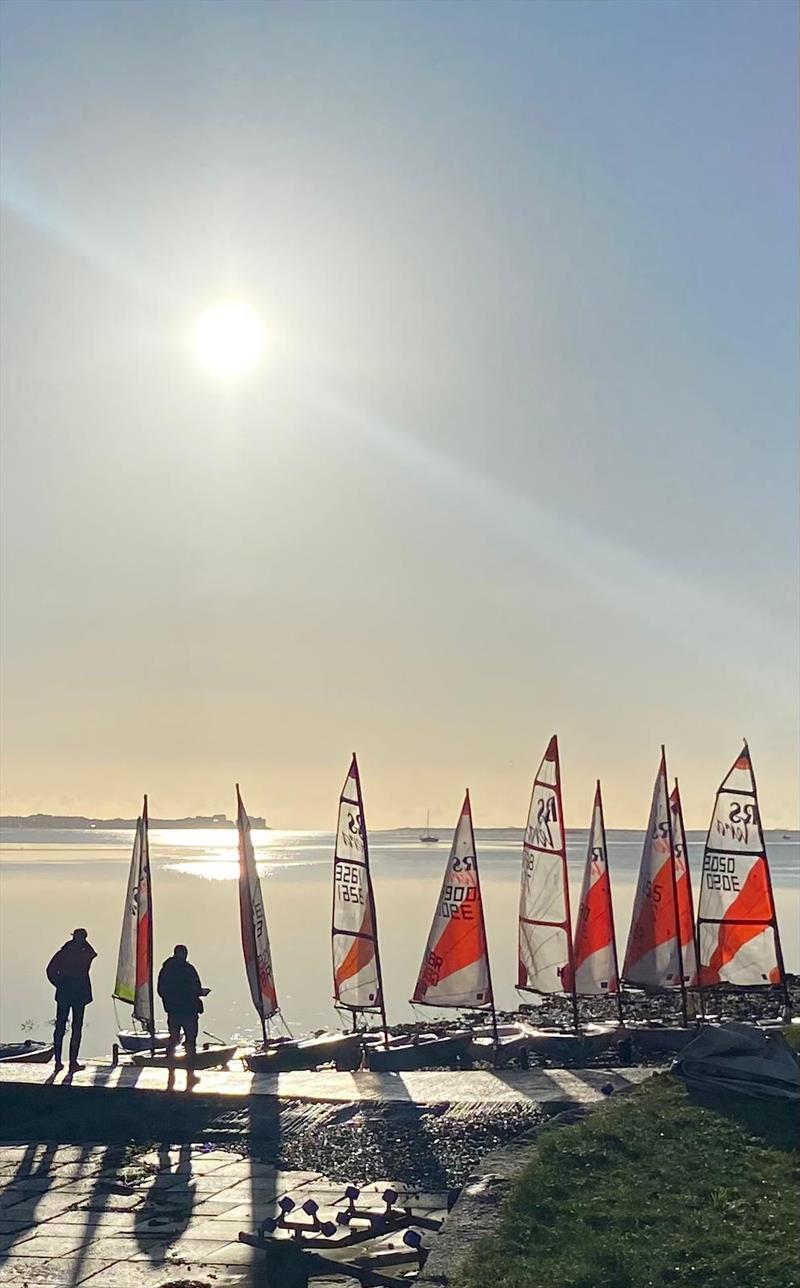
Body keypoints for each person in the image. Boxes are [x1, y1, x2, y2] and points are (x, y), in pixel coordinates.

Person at [46, 928, 97, 1072]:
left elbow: (50, 970)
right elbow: (50, 970)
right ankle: (63, 1062)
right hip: (75, 994)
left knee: (68, 1027)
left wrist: (59, 984)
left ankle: (66, 1062)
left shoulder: (65, 952)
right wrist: (59, 983)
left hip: (69, 994)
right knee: (70, 1027)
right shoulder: (81, 953)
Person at [156, 945, 208, 1082]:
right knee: (190, 1041)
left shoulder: (166, 970)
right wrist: (200, 992)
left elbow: (161, 990)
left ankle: (171, 1069)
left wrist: (169, 1001)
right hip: (188, 1011)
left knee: (173, 1039)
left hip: (173, 1011)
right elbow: (195, 988)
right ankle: (190, 1072)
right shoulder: (188, 970)